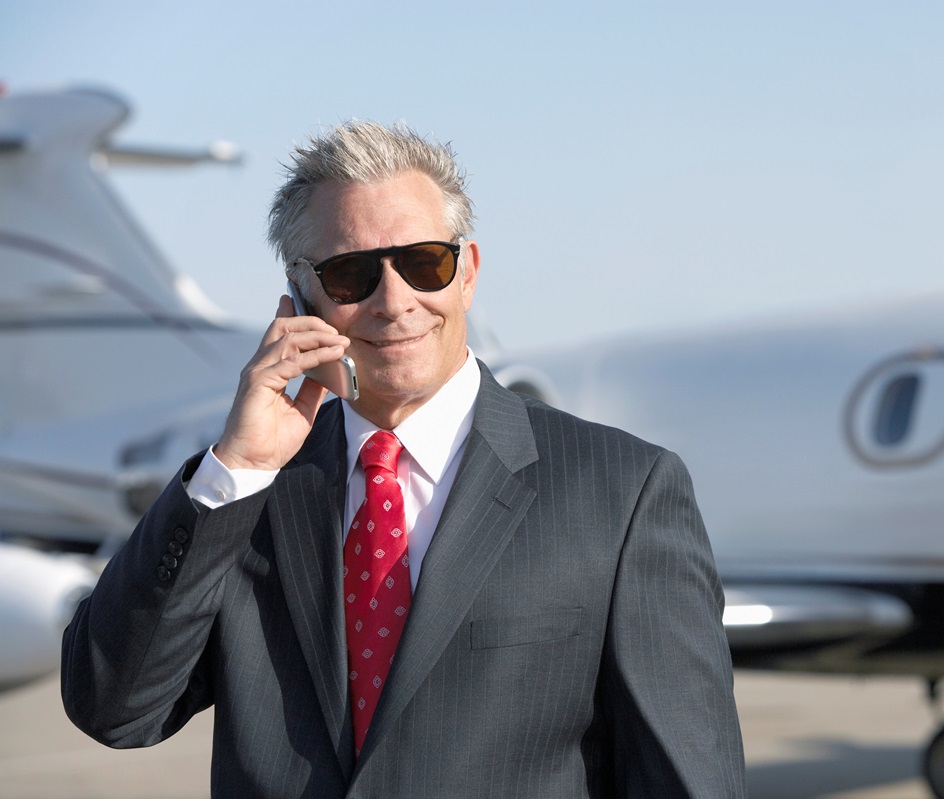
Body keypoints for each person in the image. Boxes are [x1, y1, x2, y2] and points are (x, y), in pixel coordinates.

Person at [62, 121, 746, 797]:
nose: (395, 302)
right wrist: (236, 466)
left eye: (424, 263)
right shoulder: (247, 495)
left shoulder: (623, 494)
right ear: (302, 296)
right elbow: (114, 707)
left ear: (468, 272)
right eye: (351, 274)